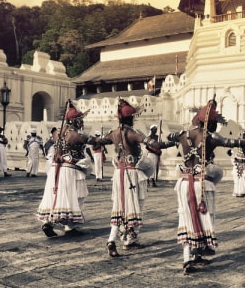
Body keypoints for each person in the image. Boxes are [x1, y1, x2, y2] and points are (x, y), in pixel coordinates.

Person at [168, 99, 245, 274]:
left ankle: (188, 258)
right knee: (205, 217)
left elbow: (168, 139)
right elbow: (231, 143)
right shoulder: (210, 137)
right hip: (202, 183)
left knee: (186, 218)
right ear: (211, 123)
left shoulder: (183, 134)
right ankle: (199, 250)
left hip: (183, 182)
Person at [100, 99, 173, 256]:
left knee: (119, 207)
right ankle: (129, 241)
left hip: (118, 173)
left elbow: (97, 142)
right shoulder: (133, 133)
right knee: (135, 207)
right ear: (130, 118)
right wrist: (173, 141)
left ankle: (112, 240)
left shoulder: (113, 133)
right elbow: (156, 145)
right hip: (132, 174)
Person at [37, 103, 92, 237]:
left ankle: (48, 223)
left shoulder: (57, 132)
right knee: (76, 195)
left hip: (56, 169)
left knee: (55, 196)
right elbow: (93, 141)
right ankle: (70, 226)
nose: (82, 122)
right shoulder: (75, 134)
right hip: (71, 169)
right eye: (80, 119)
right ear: (74, 120)